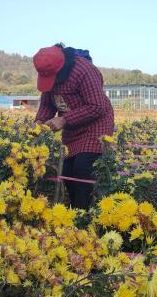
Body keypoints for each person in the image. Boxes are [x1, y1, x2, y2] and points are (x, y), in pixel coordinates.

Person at [34, 44, 114, 209]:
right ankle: (77, 210)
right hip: (73, 128)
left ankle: (86, 215)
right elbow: (47, 104)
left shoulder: (84, 71)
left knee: (83, 169)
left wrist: (64, 120)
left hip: (96, 125)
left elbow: (97, 106)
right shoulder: (51, 76)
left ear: (61, 69)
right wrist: (39, 123)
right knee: (67, 171)